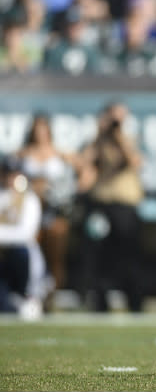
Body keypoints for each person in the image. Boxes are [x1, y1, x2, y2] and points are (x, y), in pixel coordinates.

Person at [77, 101, 145, 312]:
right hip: (101, 206)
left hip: (125, 207)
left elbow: (134, 162)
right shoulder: (97, 142)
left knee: (128, 258)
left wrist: (118, 137)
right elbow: (84, 169)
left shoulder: (130, 140)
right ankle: (100, 304)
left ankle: (134, 304)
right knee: (99, 259)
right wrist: (100, 135)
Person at [16, 114, 76, 310]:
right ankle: (29, 296)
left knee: (56, 257)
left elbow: (80, 172)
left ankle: (52, 299)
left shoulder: (59, 154)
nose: (40, 134)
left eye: (43, 129)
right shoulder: (22, 154)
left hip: (53, 212)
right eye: (36, 129)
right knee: (30, 255)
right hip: (29, 213)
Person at [0, 155, 45, 320]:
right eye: (7, 174)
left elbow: (25, 234)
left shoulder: (30, 200)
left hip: (20, 260)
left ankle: (24, 295)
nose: (11, 179)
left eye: (14, 174)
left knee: (21, 251)